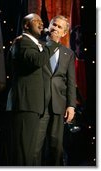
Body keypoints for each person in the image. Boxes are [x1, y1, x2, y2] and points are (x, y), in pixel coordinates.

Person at [6, 13, 60, 165]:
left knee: (29, 151)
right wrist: (53, 43)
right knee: (23, 152)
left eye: (42, 21)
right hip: (25, 103)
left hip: (33, 105)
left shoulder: (34, 43)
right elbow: (37, 60)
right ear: (26, 25)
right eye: (36, 21)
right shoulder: (23, 42)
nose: (41, 23)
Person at [37, 15, 76, 166]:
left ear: (64, 33)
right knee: (36, 147)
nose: (55, 28)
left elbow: (71, 82)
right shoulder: (38, 47)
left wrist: (71, 105)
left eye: (60, 27)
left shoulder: (68, 53)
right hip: (39, 103)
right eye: (54, 25)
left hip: (59, 105)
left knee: (56, 147)